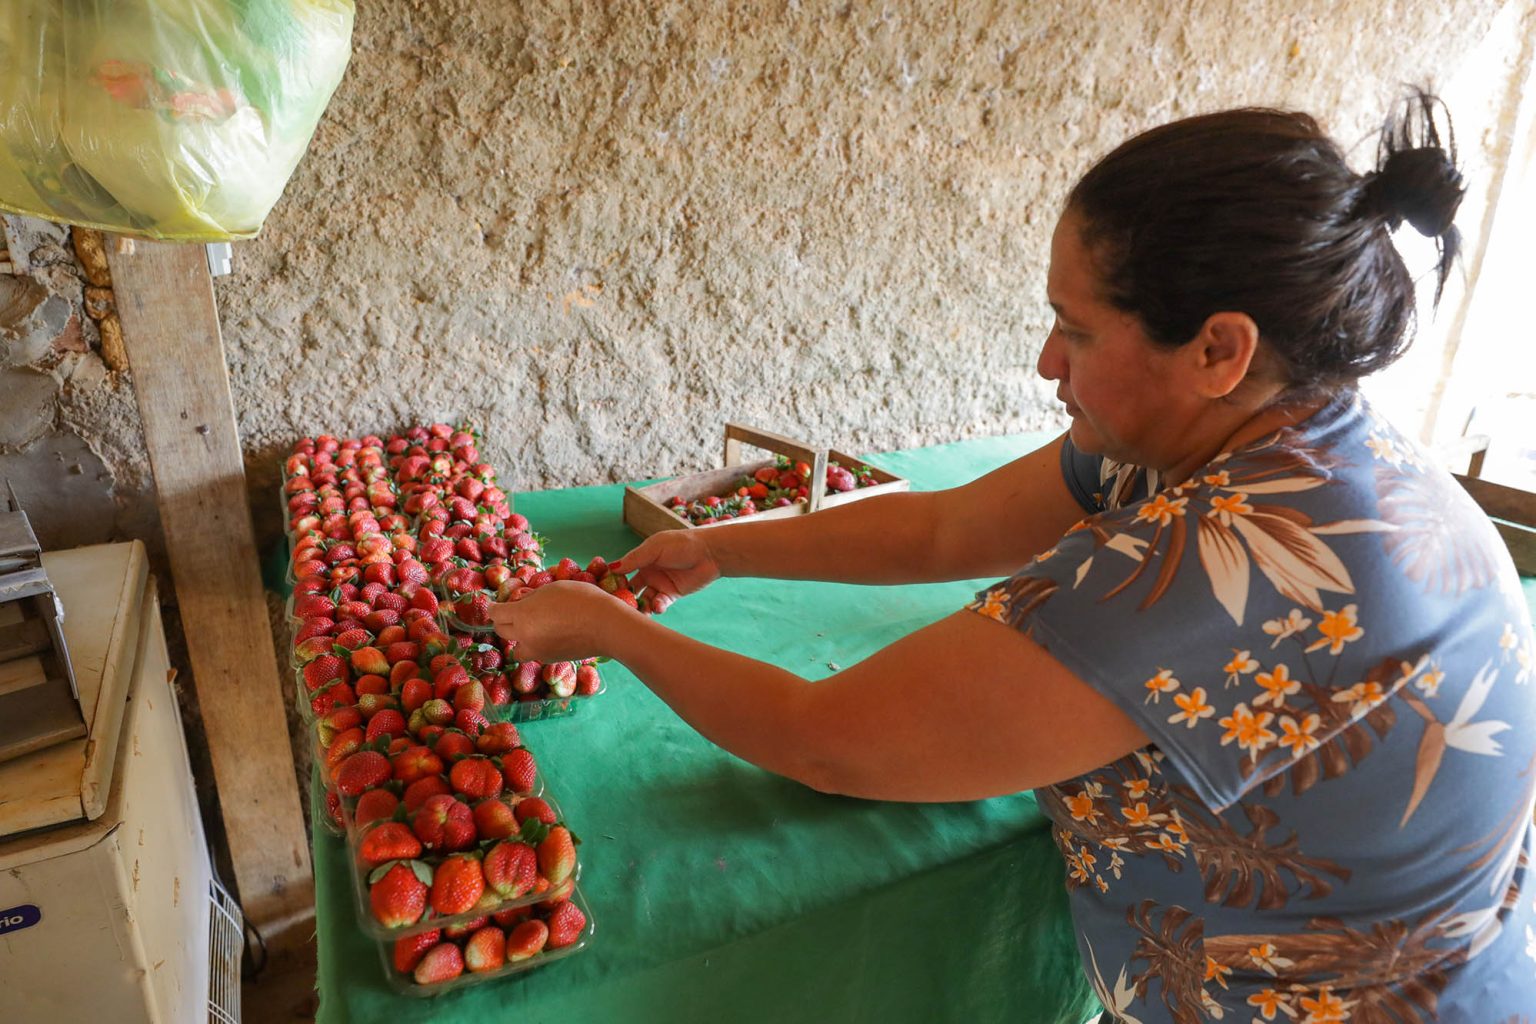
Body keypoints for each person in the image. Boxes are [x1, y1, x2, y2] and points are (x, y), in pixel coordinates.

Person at [491, 91, 1536, 1022]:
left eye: (1074, 330)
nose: (1047, 363)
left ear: (1219, 348)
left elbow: (827, 742)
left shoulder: (1230, 561)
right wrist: (725, 547)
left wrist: (609, 630)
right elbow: (944, 527)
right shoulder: (1283, 427)